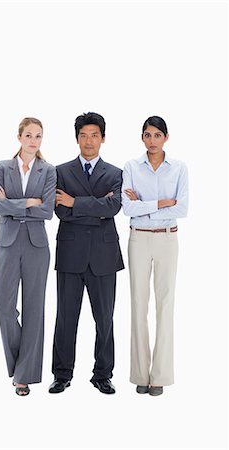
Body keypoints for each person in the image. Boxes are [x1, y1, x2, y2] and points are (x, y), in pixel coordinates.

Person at [49, 112, 124, 395]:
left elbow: (114, 208)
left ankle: (102, 374)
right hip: (70, 253)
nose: (89, 141)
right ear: (77, 138)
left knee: (105, 319)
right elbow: (60, 211)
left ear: (103, 139)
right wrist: (96, 208)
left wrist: (75, 202)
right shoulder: (61, 171)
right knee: (66, 317)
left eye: (94, 135)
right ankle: (62, 373)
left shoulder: (116, 173)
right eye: (84, 135)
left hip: (104, 256)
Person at [0, 117, 56, 396]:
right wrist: (28, 202)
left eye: (38, 136)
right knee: (2, 307)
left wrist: (11, 204)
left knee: (34, 309)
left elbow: (48, 210)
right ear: (19, 137)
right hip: (8, 241)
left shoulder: (48, 170)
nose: (33, 141)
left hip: (36, 245)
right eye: (28, 135)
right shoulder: (2, 167)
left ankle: (24, 376)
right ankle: (20, 362)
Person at [122, 116, 188, 396]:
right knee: (138, 305)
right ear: (142, 138)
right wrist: (162, 203)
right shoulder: (131, 167)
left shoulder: (179, 168)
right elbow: (127, 208)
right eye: (147, 135)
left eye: (157, 135)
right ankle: (140, 373)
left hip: (167, 239)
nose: (152, 141)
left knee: (165, 305)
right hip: (138, 239)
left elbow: (182, 209)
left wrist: (144, 205)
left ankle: (159, 375)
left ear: (166, 138)